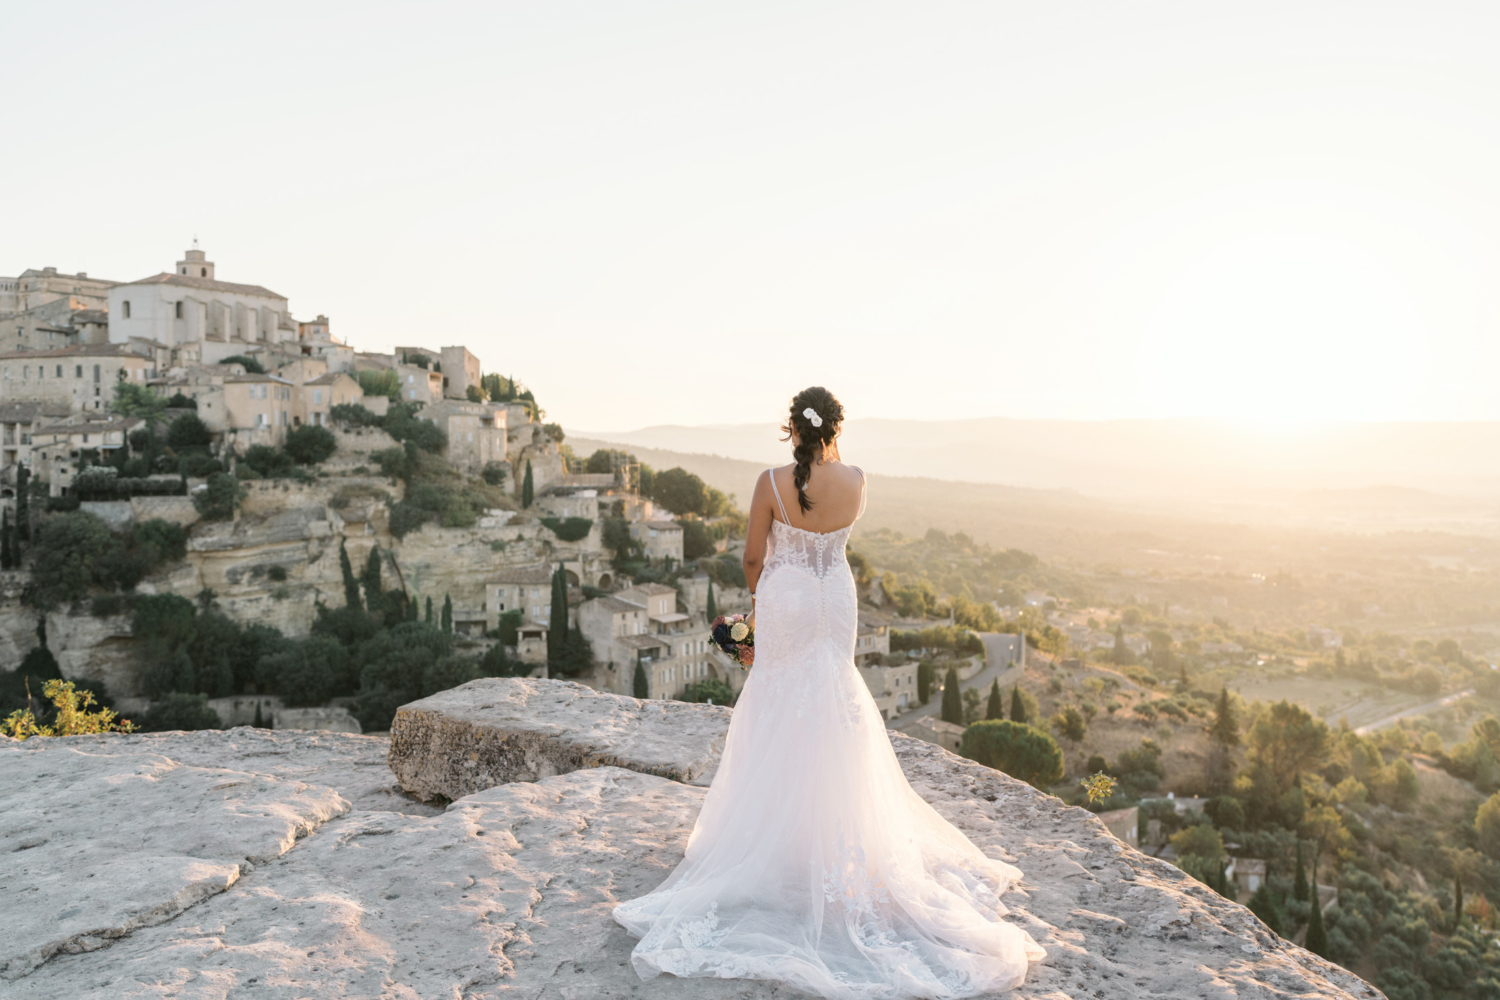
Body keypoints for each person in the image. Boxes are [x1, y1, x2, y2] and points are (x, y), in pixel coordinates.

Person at [613, 387, 1043, 998]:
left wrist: (759, 608)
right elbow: (832, 539)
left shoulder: (768, 481)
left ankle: (773, 839)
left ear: (791, 427)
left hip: (786, 597)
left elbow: (753, 557)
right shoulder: (858, 480)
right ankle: (838, 840)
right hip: (836, 598)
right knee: (835, 698)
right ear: (836, 427)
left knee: (778, 699)